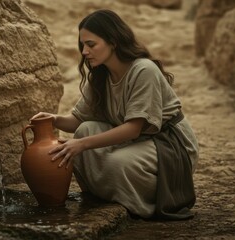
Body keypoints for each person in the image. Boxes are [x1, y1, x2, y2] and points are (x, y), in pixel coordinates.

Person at [30, 9, 199, 219]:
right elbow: (78, 121)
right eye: (83, 45)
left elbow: (133, 128)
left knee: (113, 162)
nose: (84, 52)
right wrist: (53, 119)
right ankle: (108, 194)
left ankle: (142, 199)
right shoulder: (101, 74)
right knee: (85, 130)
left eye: (91, 44)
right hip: (139, 141)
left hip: (170, 145)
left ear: (114, 41)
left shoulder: (143, 70)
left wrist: (82, 145)